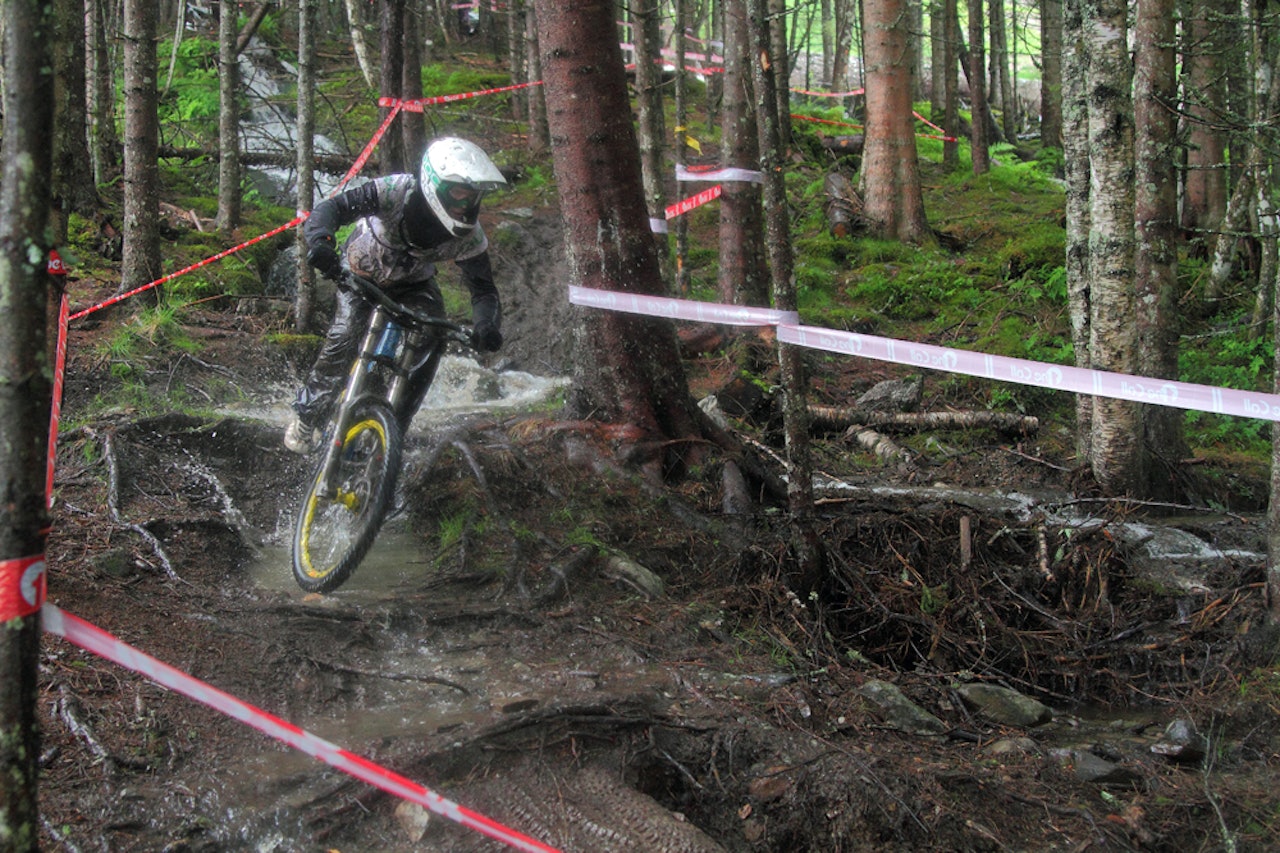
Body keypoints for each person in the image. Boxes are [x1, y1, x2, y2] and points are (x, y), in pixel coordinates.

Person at [285, 136, 508, 454]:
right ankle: (307, 417)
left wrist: (486, 325)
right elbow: (334, 208)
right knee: (347, 336)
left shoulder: (470, 236)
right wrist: (321, 241)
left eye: (473, 197)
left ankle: (393, 431)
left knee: (432, 337)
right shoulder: (396, 191)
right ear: (435, 184)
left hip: (415, 287)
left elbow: (483, 289)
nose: (465, 204)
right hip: (360, 276)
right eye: (459, 193)